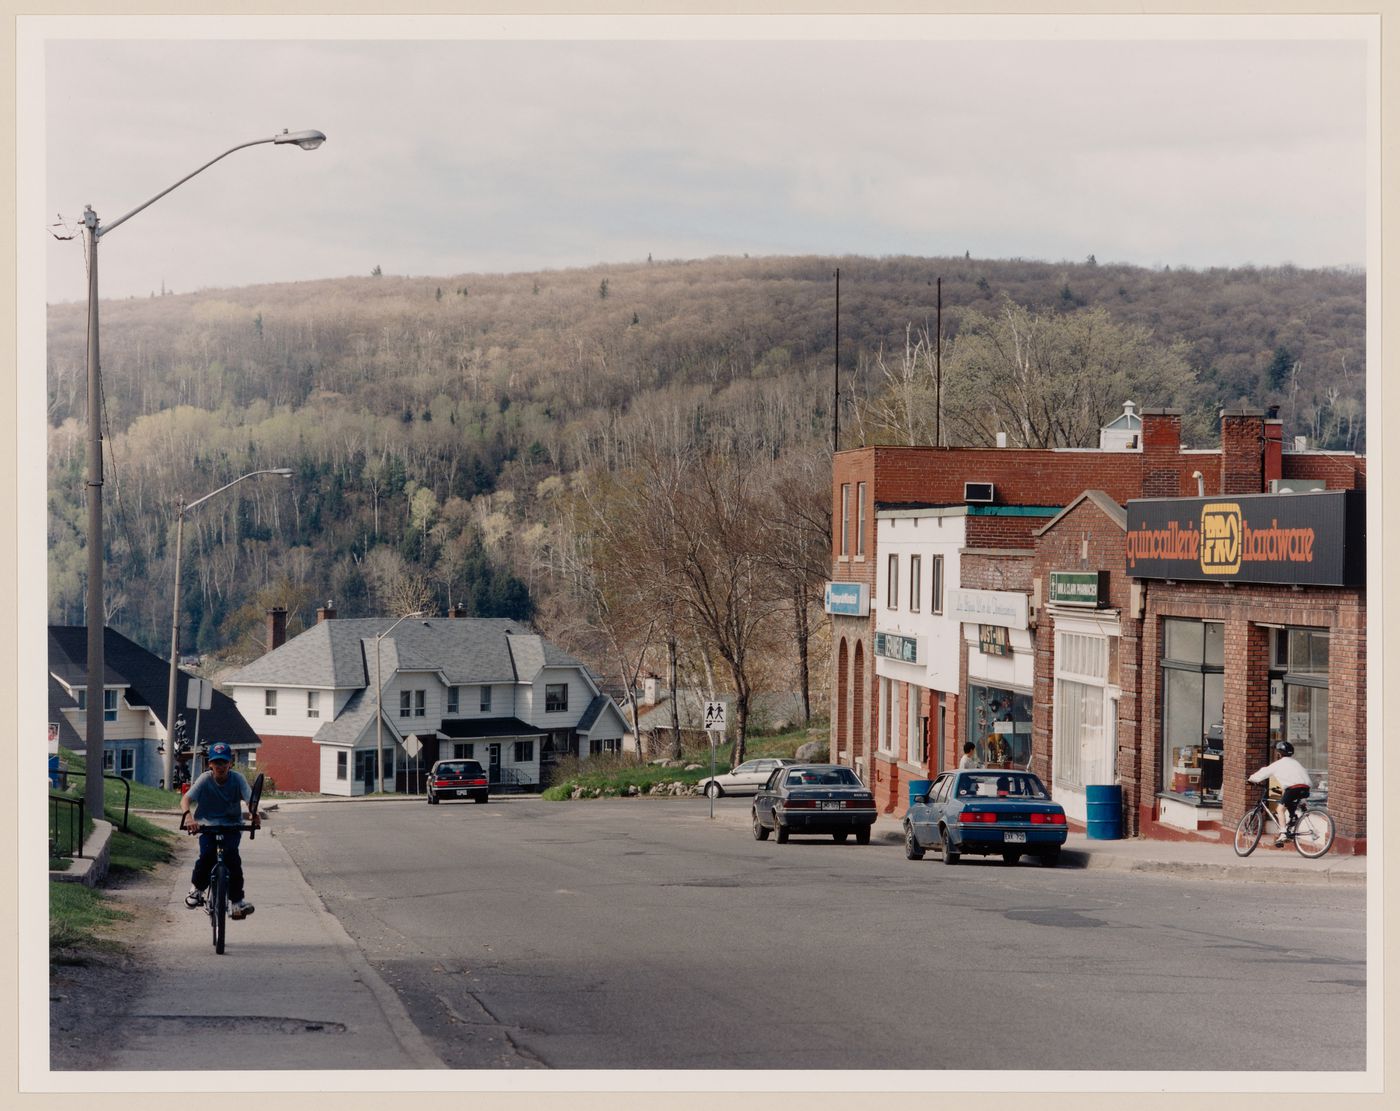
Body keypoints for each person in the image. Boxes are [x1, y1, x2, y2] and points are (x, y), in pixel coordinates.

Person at [181, 742, 260, 919]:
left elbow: (250, 800)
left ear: (230, 763)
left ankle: (237, 902)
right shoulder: (204, 779)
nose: (220, 766)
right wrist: (189, 817)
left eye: (224, 762)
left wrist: (254, 813)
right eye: (216, 763)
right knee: (207, 854)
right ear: (210, 764)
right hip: (206, 826)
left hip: (232, 826)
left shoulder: (238, 779)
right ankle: (196, 890)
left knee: (232, 859)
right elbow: (186, 799)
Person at [1248, 740, 1312, 847]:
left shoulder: (1278, 764)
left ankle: (1283, 834)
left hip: (1293, 789)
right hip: (1305, 788)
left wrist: (1251, 779)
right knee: (1289, 804)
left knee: (1280, 809)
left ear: (1278, 753)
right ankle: (1292, 820)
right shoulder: (1296, 763)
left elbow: (1263, 772)